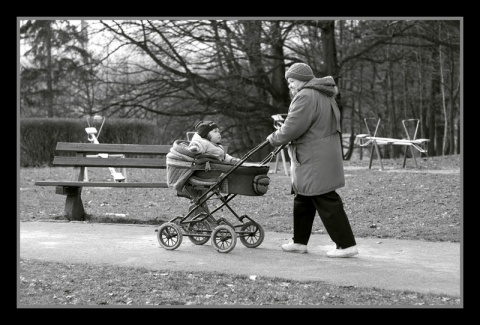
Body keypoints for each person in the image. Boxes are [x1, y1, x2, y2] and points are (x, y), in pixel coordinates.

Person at [266, 62, 358, 258]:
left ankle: (346, 245)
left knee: (326, 199)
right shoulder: (323, 94)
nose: (289, 85)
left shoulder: (305, 96)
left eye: (291, 81)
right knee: (303, 198)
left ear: (302, 80)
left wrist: (274, 138)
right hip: (320, 153)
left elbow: (292, 128)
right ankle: (299, 242)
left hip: (313, 156)